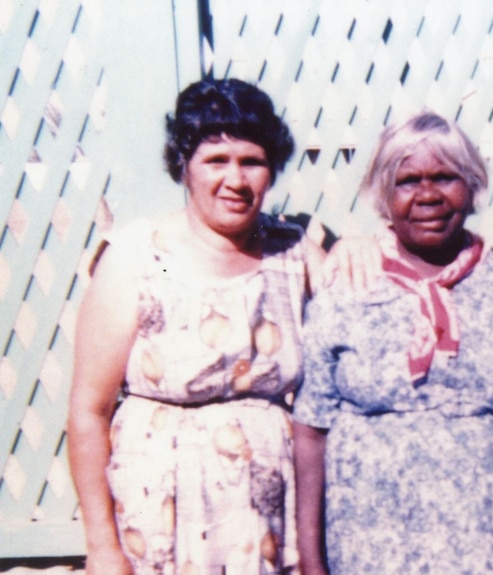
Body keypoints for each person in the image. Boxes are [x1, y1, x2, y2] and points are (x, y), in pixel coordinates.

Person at [293, 111, 493, 575]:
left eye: (445, 177)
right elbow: (310, 432)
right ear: (384, 194)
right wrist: (310, 560)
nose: (428, 195)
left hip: (491, 543)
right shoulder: (345, 290)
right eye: (408, 181)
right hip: (372, 546)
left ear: (473, 186)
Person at [67, 78, 323, 575]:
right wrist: (101, 547)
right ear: (184, 167)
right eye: (216, 161)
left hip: (269, 518)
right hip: (161, 513)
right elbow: (88, 413)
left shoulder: (294, 253)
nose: (236, 179)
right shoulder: (143, 258)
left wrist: (357, 248)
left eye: (252, 161)